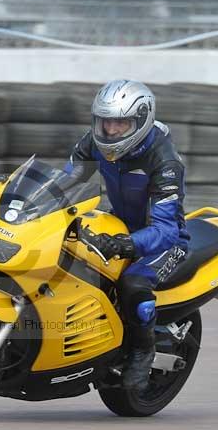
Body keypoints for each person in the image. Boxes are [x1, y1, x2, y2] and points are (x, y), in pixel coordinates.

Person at [64, 79, 190, 391]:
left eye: (120, 123)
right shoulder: (96, 142)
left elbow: (165, 229)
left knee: (133, 284)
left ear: (140, 121)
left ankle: (142, 352)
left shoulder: (165, 162)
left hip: (164, 240)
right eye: (105, 122)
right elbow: (66, 183)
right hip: (119, 224)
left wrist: (126, 245)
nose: (111, 130)